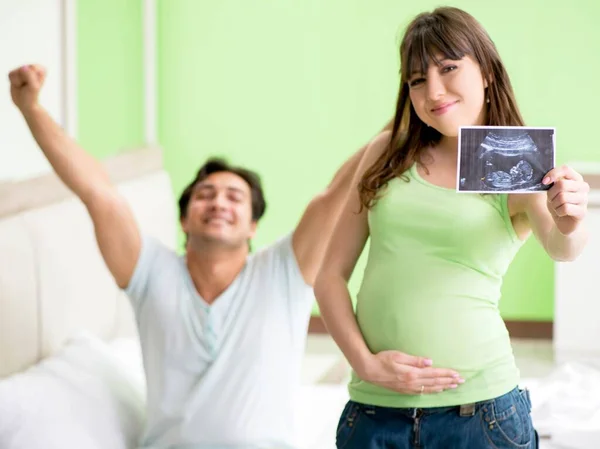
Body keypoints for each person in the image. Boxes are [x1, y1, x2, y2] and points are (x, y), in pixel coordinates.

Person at [8, 64, 462, 448]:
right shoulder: (150, 274)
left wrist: (412, 112)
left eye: (233, 197)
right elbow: (97, 192)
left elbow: (336, 190)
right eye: (204, 195)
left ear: (252, 226)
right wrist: (31, 107)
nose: (218, 202)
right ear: (184, 219)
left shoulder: (283, 271)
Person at [314, 7, 589, 449]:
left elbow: (563, 247)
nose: (433, 91)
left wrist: (573, 219)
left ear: (486, 72)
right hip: (374, 414)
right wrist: (365, 364)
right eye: (417, 79)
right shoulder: (387, 153)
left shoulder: (514, 161)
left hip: (482, 416)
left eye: (448, 68)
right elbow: (328, 276)